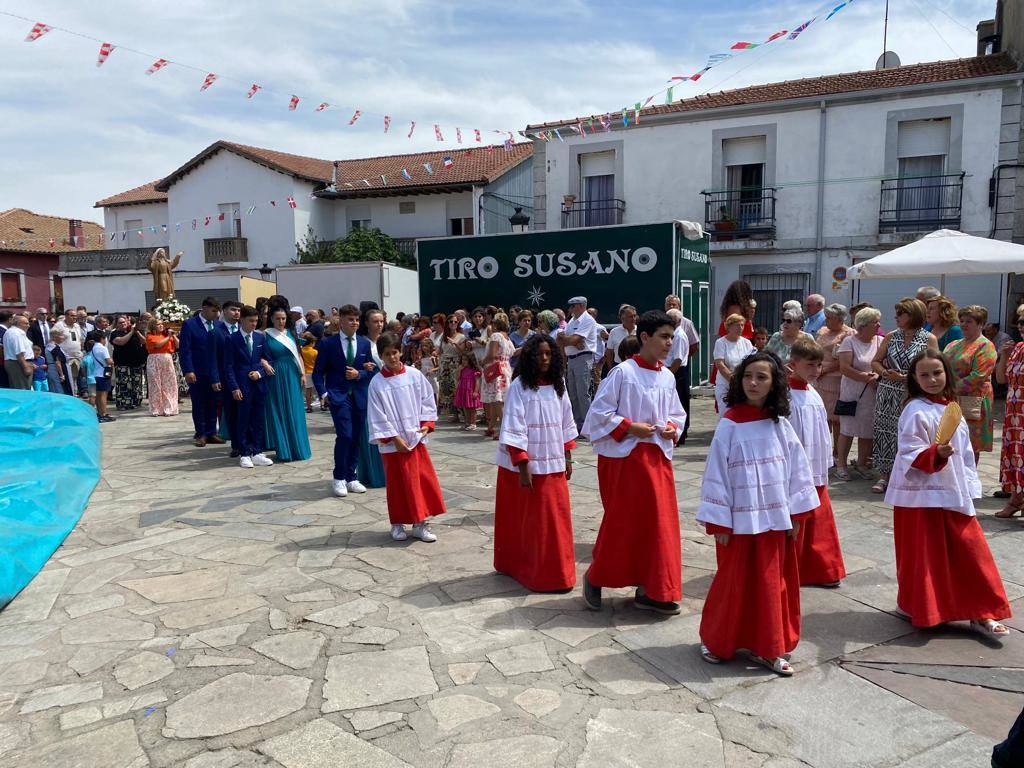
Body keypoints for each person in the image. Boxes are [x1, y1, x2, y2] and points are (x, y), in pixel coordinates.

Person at [696, 351, 819, 677]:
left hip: (775, 522)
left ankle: (770, 647)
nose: (753, 383)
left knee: (770, 586)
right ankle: (719, 640)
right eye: (748, 376)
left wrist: (796, 515)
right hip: (737, 523)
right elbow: (716, 474)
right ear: (739, 380)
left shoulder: (780, 424)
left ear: (773, 383)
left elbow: (798, 470)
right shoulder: (729, 425)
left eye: (762, 377)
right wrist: (718, 520)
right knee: (733, 584)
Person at [883, 349, 1010, 637]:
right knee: (924, 558)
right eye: (924, 374)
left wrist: (969, 484)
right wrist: (935, 453)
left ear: (946, 374)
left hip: (953, 492)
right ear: (914, 379)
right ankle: (926, 608)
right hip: (920, 496)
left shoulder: (952, 408)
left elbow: (966, 454)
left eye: (937, 373)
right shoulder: (914, 410)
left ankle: (981, 610)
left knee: (970, 552)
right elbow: (907, 451)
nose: (931, 379)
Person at [581, 310, 688, 614]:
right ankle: (597, 576)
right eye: (664, 337)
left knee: (659, 526)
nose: (670, 343)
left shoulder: (667, 376)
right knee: (625, 524)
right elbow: (598, 415)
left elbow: (677, 414)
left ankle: (653, 588)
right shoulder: (623, 373)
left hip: (657, 458)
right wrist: (630, 426)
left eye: (672, 337)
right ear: (645, 337)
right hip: (627, 458)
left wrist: (671, 427)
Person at [494, 334, 578, 592]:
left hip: (553, 461)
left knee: (556, 519)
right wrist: (522, 465)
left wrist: (567, 454)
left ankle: (559, 574)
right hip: (527, 466)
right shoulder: (519, 387)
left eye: (549, 354)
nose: (544, 359)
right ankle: (532, 571)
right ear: (530, 358)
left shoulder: (558, 384)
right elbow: (514, 426)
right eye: (539, 354)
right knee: (532, 522)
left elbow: (566, 421)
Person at [367, 332, 446, 543]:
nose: (392, 358)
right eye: (387, 354)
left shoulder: (414, 375)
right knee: (397, 484)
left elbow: (427, 400)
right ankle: (397, 523)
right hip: (393, 444)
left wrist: (427, 425)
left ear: (401, 352)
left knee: (420, 481)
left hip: (415, 438)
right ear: (381, 356)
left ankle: (421, 523)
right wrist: (393, 438)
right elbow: (377, 414)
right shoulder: (376, 383)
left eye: (395, 352)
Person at [786, 338, 846, 587]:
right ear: (793, 364)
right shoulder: (784, 395)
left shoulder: (813, 393)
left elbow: (822, 430)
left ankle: (822, 568)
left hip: (816, 465)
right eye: (810, 365)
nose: (816, 370)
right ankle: (795, 567)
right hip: (796, 467)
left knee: (819, 518)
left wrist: (825, 460)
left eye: (819, 365)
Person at [870, 299, 937, 493]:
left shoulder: (928, 339)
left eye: (901, 313)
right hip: (888, 392)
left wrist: (907, 376)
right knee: (885, 431)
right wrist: (884, 373)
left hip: (913, 392)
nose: (896, 317)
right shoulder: (891, 336)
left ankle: (909, 473)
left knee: (911, 432)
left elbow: (934, 366)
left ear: (913, 315)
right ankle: (884, 475)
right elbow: (875, 361)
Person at [312, 304, 373, 497]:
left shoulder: (364, 343)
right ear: (341, 322)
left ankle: (351, 476)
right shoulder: (328, 344)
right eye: (350, 319)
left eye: (356, 319)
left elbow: (370, 370)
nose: (354, 322)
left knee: (356, 437)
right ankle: (338, 477)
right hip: (337, 396)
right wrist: (323, 394)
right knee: (345, 435)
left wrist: (360, 373)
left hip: (360, 396)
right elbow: (317, 373)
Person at [943, 305, 997, 467]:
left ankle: (969, 481)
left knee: (970, 444)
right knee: (950, 440)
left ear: (981, 324)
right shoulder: (953, 344)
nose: (964, 324)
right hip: (950, 399)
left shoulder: (985, 345)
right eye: (962, 321)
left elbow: (978, 376)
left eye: (969, 321)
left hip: (973, 401)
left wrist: (948, 388)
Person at [223, 306, 274, 468]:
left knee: (258, 419)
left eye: (256, 321)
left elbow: (269, 360)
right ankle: (244, 452)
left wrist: (260, 373)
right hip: (241, 386)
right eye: (251, 321)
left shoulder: (260, 338)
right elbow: (228, 366)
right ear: (242, 320)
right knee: (242, 419)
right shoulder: (232, 339)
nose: (254, 324)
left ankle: (257, 451)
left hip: (258, 386)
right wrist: (234, 387)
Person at [835, 308, 882, 480]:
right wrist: (865, 377)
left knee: (867, 429)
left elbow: (882, 363)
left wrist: (878, 375)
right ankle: (841, 465)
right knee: (847, 430)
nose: (879, 325)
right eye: (875, 322)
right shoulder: (849, 341)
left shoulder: (880, 341)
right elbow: (845, 367)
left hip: (872, 394)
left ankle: (862, 463)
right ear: (863, 326)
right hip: (852, 393)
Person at [263, 308, 312, 462]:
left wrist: (303, 373)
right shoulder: (266, 334)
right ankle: (284, 450)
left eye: (283, 318)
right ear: (272, 319)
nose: (281, 321)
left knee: (295, 408)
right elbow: (259, 355)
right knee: (280, 409)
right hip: (276, 374)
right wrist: (264, 363)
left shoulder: (291, 333)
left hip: (292, 373)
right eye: (278, 318)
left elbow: (297, 354)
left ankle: (299, 448)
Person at [179, 297, 225, 448]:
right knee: (199, 403)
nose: (216, 314)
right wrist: (188, 370)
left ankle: (212, 431)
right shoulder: (190, 324)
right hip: (197, 370)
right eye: (213, 311)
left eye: (217, 311)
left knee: (214, 401)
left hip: (215, 371)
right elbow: (185, 350)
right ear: (204, 308)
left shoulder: (218, 325)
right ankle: (201, 433)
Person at [995, 308, 1024, 516]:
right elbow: (1001, 379)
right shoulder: (1017, 348)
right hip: (1014, 414)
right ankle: (1016, 499)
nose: (1022, 326)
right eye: (1020, 322)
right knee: (1015, 456)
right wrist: (1004, 355)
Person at [559, 296, 599, 435]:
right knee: (574, 394)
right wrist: (571, 341)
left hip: (583, 358)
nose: (570, 309)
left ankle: (588, 427)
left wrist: (571, 340)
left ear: (581, 306)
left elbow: (574, 339)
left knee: (583, 393)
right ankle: (577, 425)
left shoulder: (587, 320)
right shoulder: (572, 321)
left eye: (573, 306)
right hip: (572, 358)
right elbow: (562, 340)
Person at [356, 309, 386, 487]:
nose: (379, 324)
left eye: (381, 321)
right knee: (370, 429)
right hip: (368, 390)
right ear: (366, 323)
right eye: (375, 321)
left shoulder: (387, 341)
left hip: (388, 392)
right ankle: (372, 473)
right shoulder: (361, 343)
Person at [814, 304, 853, 437]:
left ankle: (837, 452)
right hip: (819, 379)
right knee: (821, 418)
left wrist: (824, 370)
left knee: (836, 419)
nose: (826, 320)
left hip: (836, 380)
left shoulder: (848, 334)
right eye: (826, 317)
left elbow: (844, 358)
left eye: (829, 318)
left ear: (840, 319)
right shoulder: (822, 331)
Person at [211, 300, 242, 450]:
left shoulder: (245, 328)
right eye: (233, 310)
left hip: (244, 376)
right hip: (226, 378)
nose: (236, 313)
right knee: (230, 411)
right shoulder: (216, 331)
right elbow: (212, 357)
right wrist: (215, 377)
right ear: (224, 311)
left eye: (238, 310)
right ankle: (235, 444)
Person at [668, 307, 700, 442]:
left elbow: (678, 359)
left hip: (677, 371)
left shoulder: (679, 336)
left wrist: (668, 376)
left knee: (680, 403)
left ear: (677, 321)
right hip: (673, 369)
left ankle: (681, 433)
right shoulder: (673, 334)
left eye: (671, 320)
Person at [713, 314, 755, 415]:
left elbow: (751, 362)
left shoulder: (747, 343)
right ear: (729, 326)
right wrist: (734, 380)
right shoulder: (720, 342)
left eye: (742, 325)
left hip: (743, 384)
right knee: (726, 414)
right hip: (725, 384)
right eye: (737, 325)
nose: (740, 328)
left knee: (742, 414)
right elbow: (720, 364)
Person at [481, 313, 514, 438]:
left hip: (494, 370)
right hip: (505, 369)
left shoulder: (495, 336)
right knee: (498, 399)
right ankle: (491, 427)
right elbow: (512, 353)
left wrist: (482, 361)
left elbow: (492, 355)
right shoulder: (507, 338)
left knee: (497, 401)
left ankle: (505, 430)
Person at [108, 315, 148, 411]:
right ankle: (124, 403)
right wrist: (131, 332)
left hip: (136, 362)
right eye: (120, 322)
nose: (123, 324)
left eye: (124, 322)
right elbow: (121, 342)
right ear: (116, 324)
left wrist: (137, 332)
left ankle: (136, 401)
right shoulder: (115, 333)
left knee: (136, 384)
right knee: (124, 383)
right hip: (122, 363)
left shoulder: (135, 332)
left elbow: (144, 341)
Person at [146, 319, 179, 416]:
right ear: (153, 326)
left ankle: (169, 408)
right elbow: (157, 344)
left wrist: (173, 336)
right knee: (155, 384)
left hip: (167, 359)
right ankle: (156, 409)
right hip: (154, 359)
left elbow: (178, 345)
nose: (161, 325)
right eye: (158, 324)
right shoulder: (150, 336)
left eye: (161, 324)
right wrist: (168, 337)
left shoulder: (166, 335)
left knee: (169, 384)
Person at [436, 314, 466, 421]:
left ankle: (463, 414)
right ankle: (454, 415)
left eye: (455, 322)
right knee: (446, 388)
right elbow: (440, 350)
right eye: (451, 322)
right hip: (445, 363)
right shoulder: (444, 336)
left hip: (455, 363)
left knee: (456, 388)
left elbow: (462, 352)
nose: (453, 324)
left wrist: (455, 344)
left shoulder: (461, 337)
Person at [87, 333, 115, 422]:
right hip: (103, 373)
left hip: (97, 373)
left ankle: (99, 413)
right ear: (102, 338)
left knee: (99, 395)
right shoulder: (103, 348)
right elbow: (108, 361)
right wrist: (112, 361)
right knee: (103, 395)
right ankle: (104, 413)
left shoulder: (93, 348)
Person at [454, 347, 482, 430]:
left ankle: (473, 423)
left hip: (470, 390)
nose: (463, 362)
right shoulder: (462, 369)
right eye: (462, 360)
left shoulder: (474, 370)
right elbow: (457, 378)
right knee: (465, 407)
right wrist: (459, 370)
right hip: (463, 389)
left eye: (465, 360)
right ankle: (467, 422)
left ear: (470, 360)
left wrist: (476, 391)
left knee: (472, 408)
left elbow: (477, 381)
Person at [3, 314, 33, 390]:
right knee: (23, 390)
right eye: (26, 323)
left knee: (19, 389)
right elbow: (19, 352)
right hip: (18, 364)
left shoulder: (11, 332)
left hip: (17, 363)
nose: (28, 326)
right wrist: (26, 366)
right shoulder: (16, 333)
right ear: (18, 323)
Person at [605, 305, 638, 369]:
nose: (634, 319)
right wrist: (611, 368)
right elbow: (609, 352)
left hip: (637, 366)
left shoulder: (641, 331)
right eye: (631, 316)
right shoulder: (614, 332)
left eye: (635, 316)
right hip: (619, 366)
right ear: (623, 318)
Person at [45, 328, 71, 395]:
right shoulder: (53, 347)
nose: (63, 337)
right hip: (56, 370)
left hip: (53, 368)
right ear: (55, 336)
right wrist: (61, 375)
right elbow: (57, 362)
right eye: (61, 335)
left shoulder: (54, 346)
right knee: (59, 389)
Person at [416, 337, 439, 404]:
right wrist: (418, 366)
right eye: (423, 346)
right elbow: (420, 367)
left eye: (426, 346)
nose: (424, 348)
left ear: (430, 346)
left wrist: (432, 370)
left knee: (433, 392)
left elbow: (438, 367)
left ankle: (435, 406)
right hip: (424, 376)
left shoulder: (433, 357)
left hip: (432, 377)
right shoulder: (421, 357)